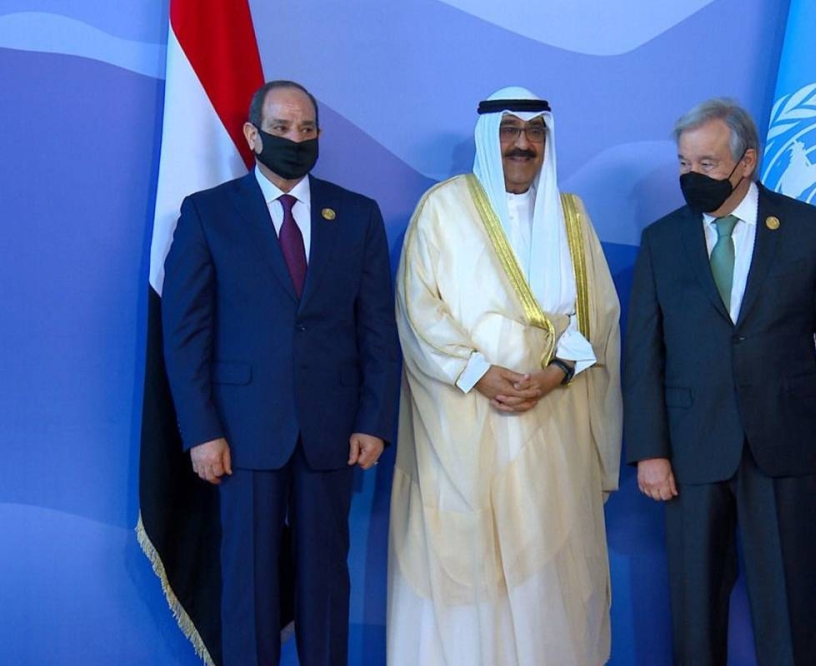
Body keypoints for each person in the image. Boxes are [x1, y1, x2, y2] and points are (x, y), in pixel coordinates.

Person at [161, 80, 400, 666]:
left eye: (306, 129)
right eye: (282, 128)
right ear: (252, 134)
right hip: (241, 434)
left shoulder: (357, 214)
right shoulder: (208, 213)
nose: (296, 139)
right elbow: (186, 334)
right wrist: (201, 431)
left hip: (332, 433)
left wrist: (374, 420)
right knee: (248, 583)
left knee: (326, 582)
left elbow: (378, 329)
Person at [387, 86, 622, 666]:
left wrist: (555, 375)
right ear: (487, 139)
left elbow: (597, 315)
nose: (523, 144)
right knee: (466, 571)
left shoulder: (571, 216)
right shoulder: (442, 209)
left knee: (547, 570)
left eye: (535, 132)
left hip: (551, 424)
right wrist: (477, 372)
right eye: (510, 130)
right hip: (464, 424)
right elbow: (418, 309)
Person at [625, 98, 816, 666]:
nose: (692, 176)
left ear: (746, 162)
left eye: (706, 164)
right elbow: (643, 354)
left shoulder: (805, 228)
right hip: (692, 450)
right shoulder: (662, 240)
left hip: (786, 445)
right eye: (684, 164)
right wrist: (649, 451)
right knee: (695, 613)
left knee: (791, 609)